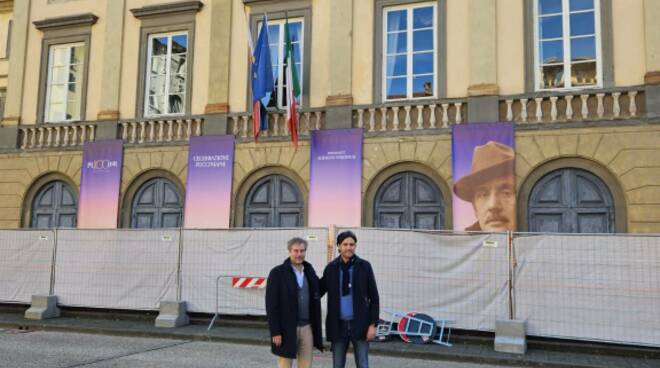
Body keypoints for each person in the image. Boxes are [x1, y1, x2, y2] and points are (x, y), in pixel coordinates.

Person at [320, 231, 379, 368]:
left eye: (352, 244)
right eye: (345, 244)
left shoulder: (364, 266)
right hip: (338, 325)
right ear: (339, 247)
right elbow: (318, 290)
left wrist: (373, 324)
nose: (349, 247)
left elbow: (374, 297)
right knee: (338, 365)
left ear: (355, 246)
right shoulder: (331, 268)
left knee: (363, 364)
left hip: (360, 324)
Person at [266, 237, 324, 368]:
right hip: (287, 328)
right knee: (285, 365)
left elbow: (317, 291)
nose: (299, 254)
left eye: (302, 251)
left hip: (307, 328)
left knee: (306, 365)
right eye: (296, 251)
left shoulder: (309, 271)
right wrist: (275, 331)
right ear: (289, 251)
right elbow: (271, 305)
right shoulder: (278, 273)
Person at [453, 141, 516, 231]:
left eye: (506, 193)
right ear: (475, 209)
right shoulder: (461, 244)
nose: (493, 206)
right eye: (483, 195)